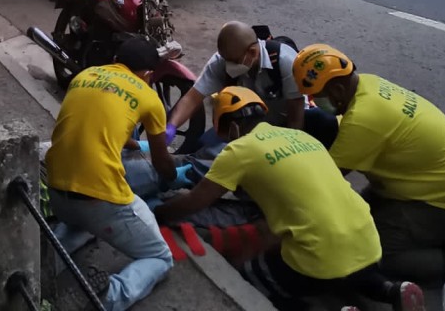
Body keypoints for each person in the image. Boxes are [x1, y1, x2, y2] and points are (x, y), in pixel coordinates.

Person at [153, 87, 426, 311]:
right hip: (368, 240)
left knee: (252, 274)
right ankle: (391, 290)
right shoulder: (300, 136)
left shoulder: (239, 150)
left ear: (233, 128)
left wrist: (160, 213)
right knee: (345, 264)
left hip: (320, 254)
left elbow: (196, 202)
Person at [292, 44, 445, 284]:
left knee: (374, 254)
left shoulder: (364, 119)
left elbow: (324, 180)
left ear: (337, 89)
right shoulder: (369, 84)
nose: (314, 102)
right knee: (358, 218)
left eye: (317, 96)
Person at [44, 37, 177, 311]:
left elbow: (100, 127)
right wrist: (175, 177)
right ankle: (107, 296)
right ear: (149, 74)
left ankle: (40, 266)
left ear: (117, 61)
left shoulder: (84, 75)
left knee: (78, 225)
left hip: (57, 189)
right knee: (160, 257)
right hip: (100, 202)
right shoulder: (148, 96)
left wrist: (134, 143)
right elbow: (162, 163)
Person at [164, 21, 338, 150]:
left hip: (287, 122)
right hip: (247, 126)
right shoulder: (222, 61)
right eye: (226, 60)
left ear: (253, 52)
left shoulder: (284, 60)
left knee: (325, 122)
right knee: (205, 148)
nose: (229, 66)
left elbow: (296, 113)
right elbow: (192, 98)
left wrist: (290, 149)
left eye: (234, 61)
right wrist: (171, 127)